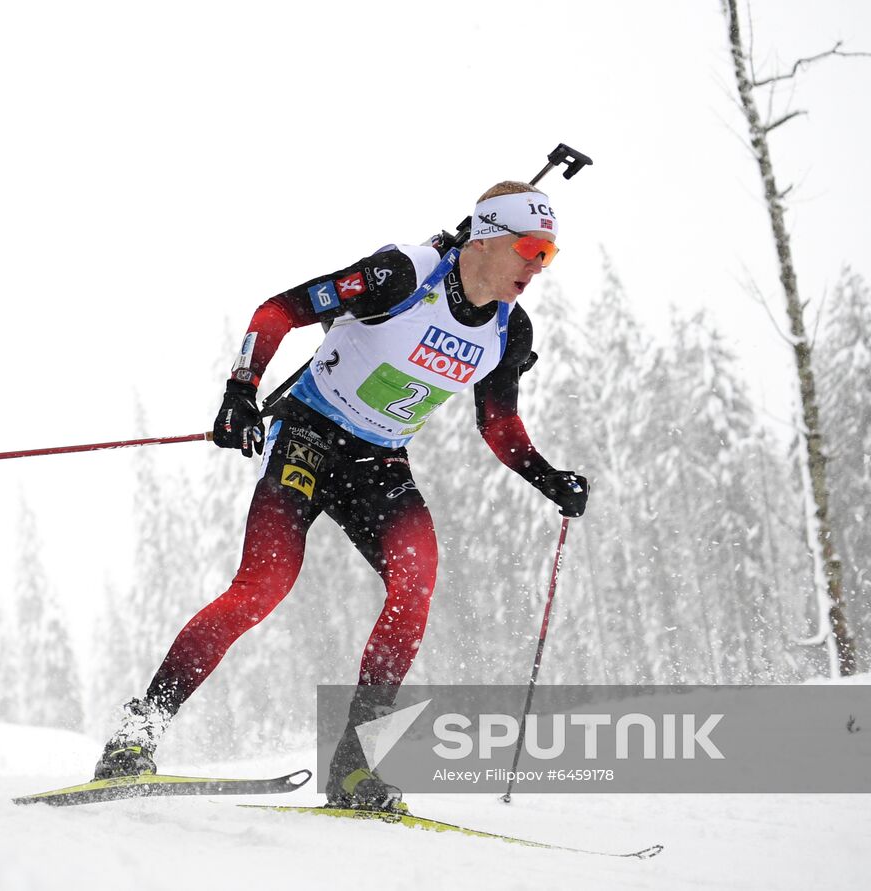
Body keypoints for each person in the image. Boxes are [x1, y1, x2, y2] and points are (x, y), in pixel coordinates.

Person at [93, 180, 588, 812]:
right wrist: (241, 390)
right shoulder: (402, 273)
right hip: (309, 437)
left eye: (549, 255)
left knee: (417, 580)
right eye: (529, 249)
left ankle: (355, 766)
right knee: (262, 587)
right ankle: (137, 735)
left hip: (379, 462)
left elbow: (497, 424)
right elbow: (279, 310)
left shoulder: (508, 332)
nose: (537, 267)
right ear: (487, 236)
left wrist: (548, 478)